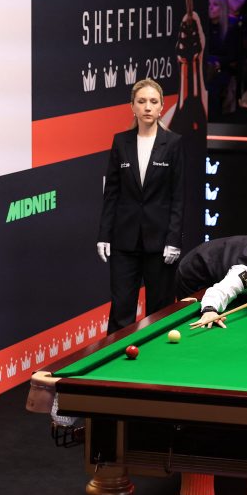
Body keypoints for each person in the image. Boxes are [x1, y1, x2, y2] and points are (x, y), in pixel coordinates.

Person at [97, 78, 185, 333]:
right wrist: (104, 234)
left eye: (153, 102)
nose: (147, 107)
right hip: (123, 241)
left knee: (160, 309)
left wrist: (174, 239)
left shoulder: (173, 143)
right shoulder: (120, 142)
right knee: (121, 309)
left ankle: (159, 355)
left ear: (161, 107)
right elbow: (111, 193)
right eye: (142, 101)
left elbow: (178, 196)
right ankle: (115, 354)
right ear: (132, 107)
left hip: (161, 242)